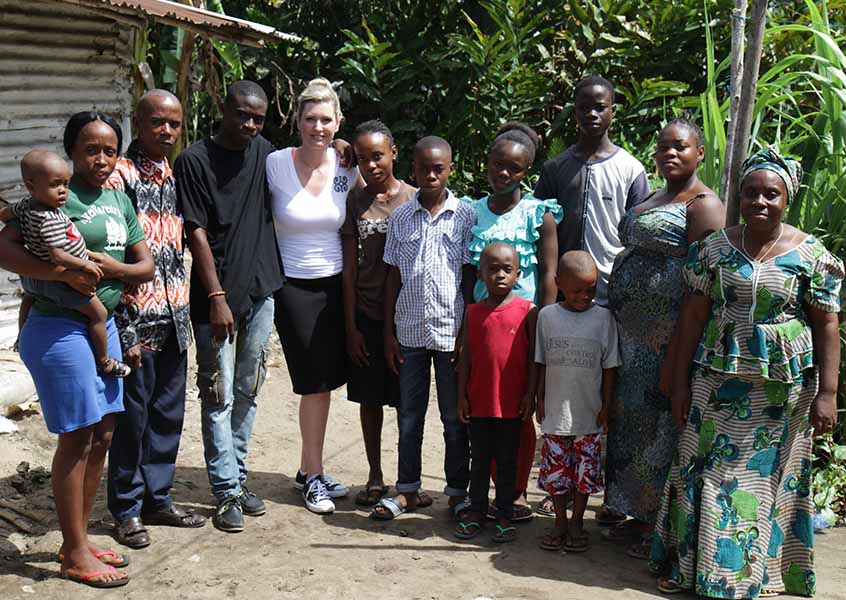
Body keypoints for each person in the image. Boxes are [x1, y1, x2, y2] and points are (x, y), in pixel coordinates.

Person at [651, 148, 843, 598]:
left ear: (787, 200)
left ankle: (760, 574)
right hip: (715, 384)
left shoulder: (813, 256)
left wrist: (828, 393)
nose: (760, 202)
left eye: (770, 194)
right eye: (751, 193)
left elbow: (827, 324)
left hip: (781, 393)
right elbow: (692, 319)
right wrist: (679, 383)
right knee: (707, 472)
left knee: (765, 480)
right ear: (739, 197)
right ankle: (697, 570)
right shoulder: (715, 249)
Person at [0, 111, 154, 588]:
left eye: (111, 150)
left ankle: (77, 541)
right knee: (79, 437)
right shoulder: (49, 195)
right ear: (71, 151)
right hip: (58, 327)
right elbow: (5, 249)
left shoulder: (117, 199)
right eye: (91, 149)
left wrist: (114, 270)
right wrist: (62, 274)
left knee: (103, 436)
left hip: (102, 330)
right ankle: (74, 555)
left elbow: (143, 265)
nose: (102, 159)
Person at [603, 119, 725, 558]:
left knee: (660, 426)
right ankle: (632, 512)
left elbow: (703, 284)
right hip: (628, 337)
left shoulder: (704, 205)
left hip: (665, 340)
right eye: (663, 148)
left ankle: (658, 524)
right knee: (629, 421)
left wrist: (679, 351)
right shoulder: (655, 197)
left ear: (700, 154)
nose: (670, 154)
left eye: (681, 147)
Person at [534, 74, 650, 520]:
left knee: (606, 394)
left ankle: (610, 496)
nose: (592, 114)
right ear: (574, 111)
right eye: (584, 106)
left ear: (613, 111)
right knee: (562, 393)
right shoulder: (556, 168)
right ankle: (559, 487)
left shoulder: (631, 170)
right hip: (563, 301)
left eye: (600, 106)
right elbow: (541, 234)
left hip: (609, 299)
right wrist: (550, 298)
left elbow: (637, 234)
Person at [175, 81, 284, 533]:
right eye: (242, 115)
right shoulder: (194, 161)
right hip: (214, 299)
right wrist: (216, 296)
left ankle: (237, 479)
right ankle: (224, 491)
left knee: (248, 390)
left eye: (258, 118)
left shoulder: (265, 153)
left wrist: (338, 147)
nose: (250, 125)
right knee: (217, 395)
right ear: (224, 109)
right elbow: (195, 231)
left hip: (261, 292)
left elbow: (306, 171)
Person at [105, 90, 206, 549]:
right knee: (133, 418)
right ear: (137, 122)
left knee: (168, 415)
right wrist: (123, 329)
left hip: (175, 315)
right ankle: (126, 509)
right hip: (136, 321)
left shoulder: (173, 173)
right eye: (157, 122)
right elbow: (109, 252)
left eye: (174, 124)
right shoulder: (119, 176)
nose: (166, 131)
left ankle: (157, 498)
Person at [370, 136, 474, 520]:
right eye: (424, 168)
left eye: (439, 168)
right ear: (412, 169)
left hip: (450, 333)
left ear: (450, 169)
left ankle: (457, 492)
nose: (431, 175)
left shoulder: (465, 216)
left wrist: (465, 336)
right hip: (410, 332)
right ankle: (407, 490)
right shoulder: (399, 217)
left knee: (452, 418)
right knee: (409, 416)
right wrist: (388, 335)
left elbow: (468, 279)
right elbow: (392, 278)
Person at [267, 78, 357, 514]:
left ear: (338, 122)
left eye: (326, 120)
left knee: (325, 385)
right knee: (314, 385)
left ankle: (309, 467)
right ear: (297, 121)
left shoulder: (347, 166)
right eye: (310, 119)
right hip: (293, 286)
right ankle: (313, 477)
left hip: (336, 286)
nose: (317, 128)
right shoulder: (275, 164)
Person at [467, 121, 561, 522]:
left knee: (519, 413)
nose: (503, 173)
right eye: (497, 164)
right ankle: (486, 491)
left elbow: (550, 278)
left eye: (514, 168)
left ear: (527, 173)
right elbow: (462, 276)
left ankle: (517, 490)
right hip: (483, 326)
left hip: (523, 328)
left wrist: (544, 329)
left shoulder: (539, 215)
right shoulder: (470, 212)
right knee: (484, 409)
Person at [340, 120, 416, 507]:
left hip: (408, 318)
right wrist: (350, 325)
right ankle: (374, 474)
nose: (371, 165)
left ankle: (408, 481)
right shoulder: (355, 200)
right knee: (370, 400)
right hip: (368, 314)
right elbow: (349, 268)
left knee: (407, 402)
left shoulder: (415, 199)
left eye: (378, 156)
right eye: (363, 159)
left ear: (393, 154)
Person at [0, 150, 130, 378]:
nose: (63, 191)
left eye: (65, 184)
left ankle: (22, 339)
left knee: (29, 296)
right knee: (98, 313)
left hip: (42, 276)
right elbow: (59, 256)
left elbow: (7, 213)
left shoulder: (28, 205)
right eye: (55, 185)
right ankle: (105, 361)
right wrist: (84, 265)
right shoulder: (47, 219)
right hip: (66, 279)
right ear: (31, 186)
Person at [535, 251, 620, 553]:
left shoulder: (604, 318)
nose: (585, 296)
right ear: (558, 284)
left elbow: (610, 367)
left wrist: (606, 406)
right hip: (556, 414)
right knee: (557, 475)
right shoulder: (547, 317)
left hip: (589, 416)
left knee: (585, 476)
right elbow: (541, 362)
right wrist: (539, 398)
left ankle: (578, 522)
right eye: (577, 290)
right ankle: (559, 522)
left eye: (592, 289)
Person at [455, 243, 537, 543]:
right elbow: (466, 357)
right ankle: (476, 510)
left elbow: (533, 359)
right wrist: (461, 396)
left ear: (518, 273)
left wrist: (531, 394)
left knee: (507, 461)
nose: (499, 275)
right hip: (479, 403)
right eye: (492, 269)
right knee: (479, 460)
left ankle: (504, 513)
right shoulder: (473, 312)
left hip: (512, 405)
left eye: (507, 269)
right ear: (480, 275)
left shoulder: (528, 311)